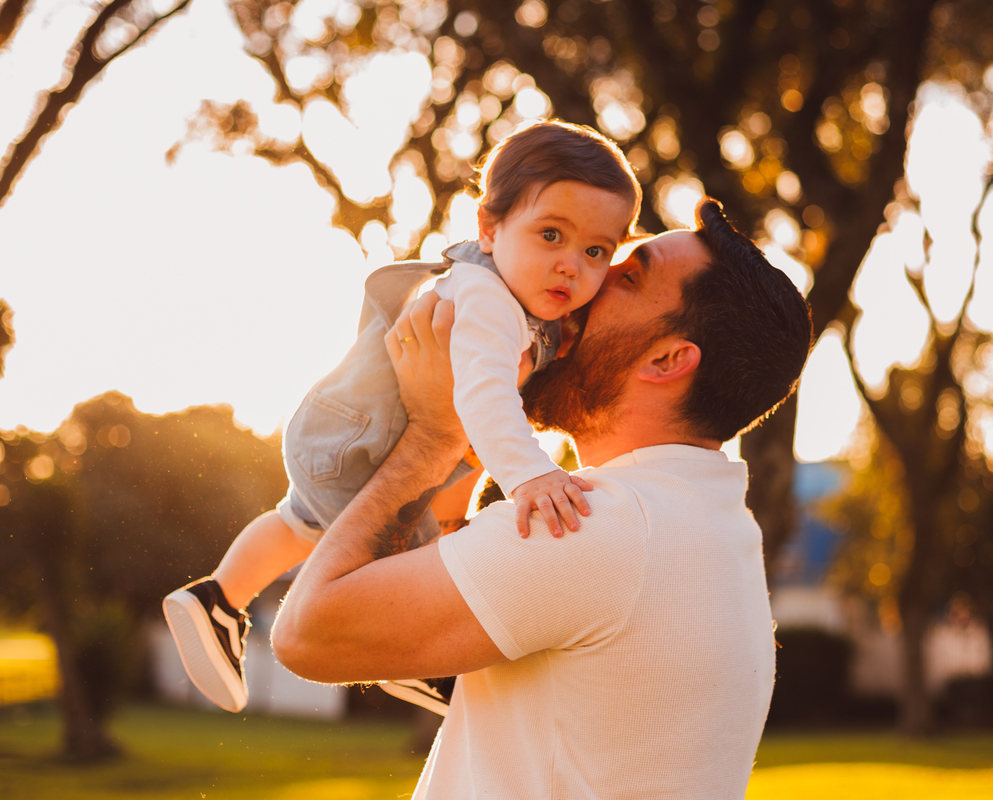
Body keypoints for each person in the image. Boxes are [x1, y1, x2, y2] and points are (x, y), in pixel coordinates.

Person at [271, 197, 813, 799]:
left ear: (667, 360)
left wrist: (435, 435)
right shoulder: (705, 527)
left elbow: (308, 633)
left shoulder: (596, 527)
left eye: (624, 276)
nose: (578, 281)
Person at [162, 121, 641, 713]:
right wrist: (531, 474)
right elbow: (484, 400)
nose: (572, 265)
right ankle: (400, 657)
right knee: (396, 560)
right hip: (366, 445)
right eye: (551, 235)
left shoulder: (506, 293)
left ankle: (216, 596)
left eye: (596, 251)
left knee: (303, 522)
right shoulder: (488, 303)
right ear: (489, 230)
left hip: (343, 435)